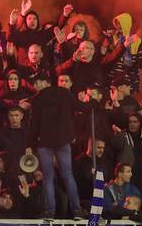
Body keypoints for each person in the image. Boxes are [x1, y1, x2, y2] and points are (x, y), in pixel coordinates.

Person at [26, 74, 87, 219]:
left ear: (45, 83)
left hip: (45, 143)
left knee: (48, 178)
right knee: (67, 175)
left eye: (37, 83)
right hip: (63, 141)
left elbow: (33, 125)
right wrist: (93, 103)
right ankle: (77, 210)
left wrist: (30, 144)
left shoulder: (37, 99)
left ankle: (49, 212)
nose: (35, 86)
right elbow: (81, 107)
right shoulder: (64, 93)